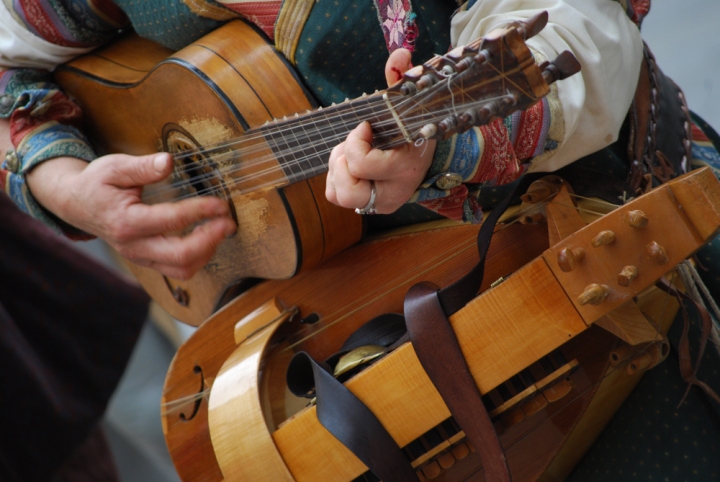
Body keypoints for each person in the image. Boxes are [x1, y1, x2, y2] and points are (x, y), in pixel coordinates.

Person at [0, 0, 643, 280]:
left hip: (570, 231)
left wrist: (438, 145)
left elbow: (577, 33)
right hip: (316, 321)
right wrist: (64, 186)